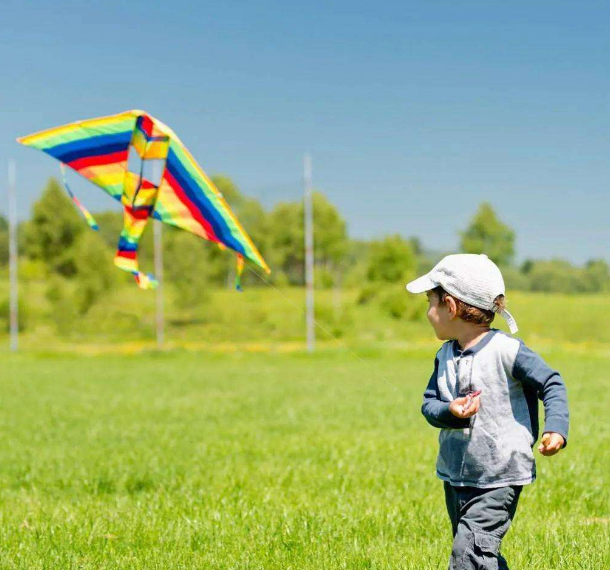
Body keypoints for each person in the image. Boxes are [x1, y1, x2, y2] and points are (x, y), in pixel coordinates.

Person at [406, 254, 569, 570]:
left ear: (450, 307)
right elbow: (429, 405)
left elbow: (551, 382)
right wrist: (450, 411)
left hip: (500, 474)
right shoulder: (444, 355)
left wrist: (556, 427)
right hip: (456, 475)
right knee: (478, 554)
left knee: (468, 557)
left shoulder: (508, 352)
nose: (428, 312)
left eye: (430, 302)